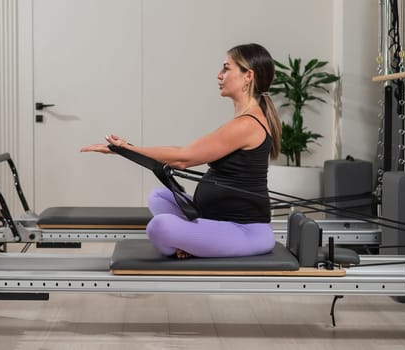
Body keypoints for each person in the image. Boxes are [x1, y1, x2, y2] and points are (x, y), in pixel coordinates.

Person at [80, 43, 281, 259]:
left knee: (159, 227)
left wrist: (125, 150)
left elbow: (183, 158)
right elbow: (182, 151)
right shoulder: (245, 120)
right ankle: (191, 241)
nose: (219, 75)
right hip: (215, 219)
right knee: (159, 196)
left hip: (244, 230)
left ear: (248, 75)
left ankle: (189, 243)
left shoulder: (247, 125)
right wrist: (127, 149)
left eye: (226, 68)